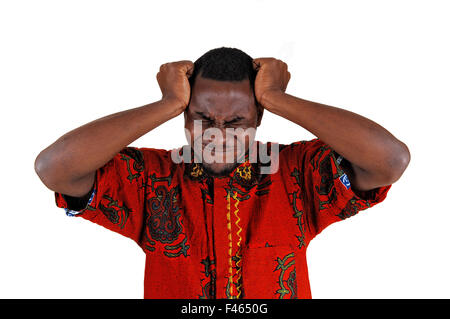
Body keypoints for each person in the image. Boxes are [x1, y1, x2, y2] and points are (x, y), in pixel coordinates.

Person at [34, 46, 410, 299]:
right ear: (184, 113)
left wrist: (279, 98)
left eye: (237, 120)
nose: (218, 133)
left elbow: (389, 160)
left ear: (259, 115)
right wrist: (165, 104)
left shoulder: (297, 175)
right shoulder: (150, 180)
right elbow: (54, 168)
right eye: (201, 117)